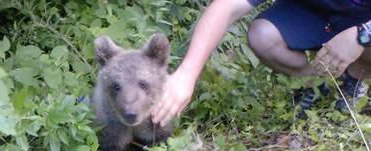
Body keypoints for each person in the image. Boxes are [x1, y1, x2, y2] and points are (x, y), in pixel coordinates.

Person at [151, 0, 371, 126]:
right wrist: (187, 73)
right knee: (263, 37)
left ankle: (354, 79)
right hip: (311, 13)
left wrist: (363, 34)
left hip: (363, 20)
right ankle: (319, 83)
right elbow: (227, 7)